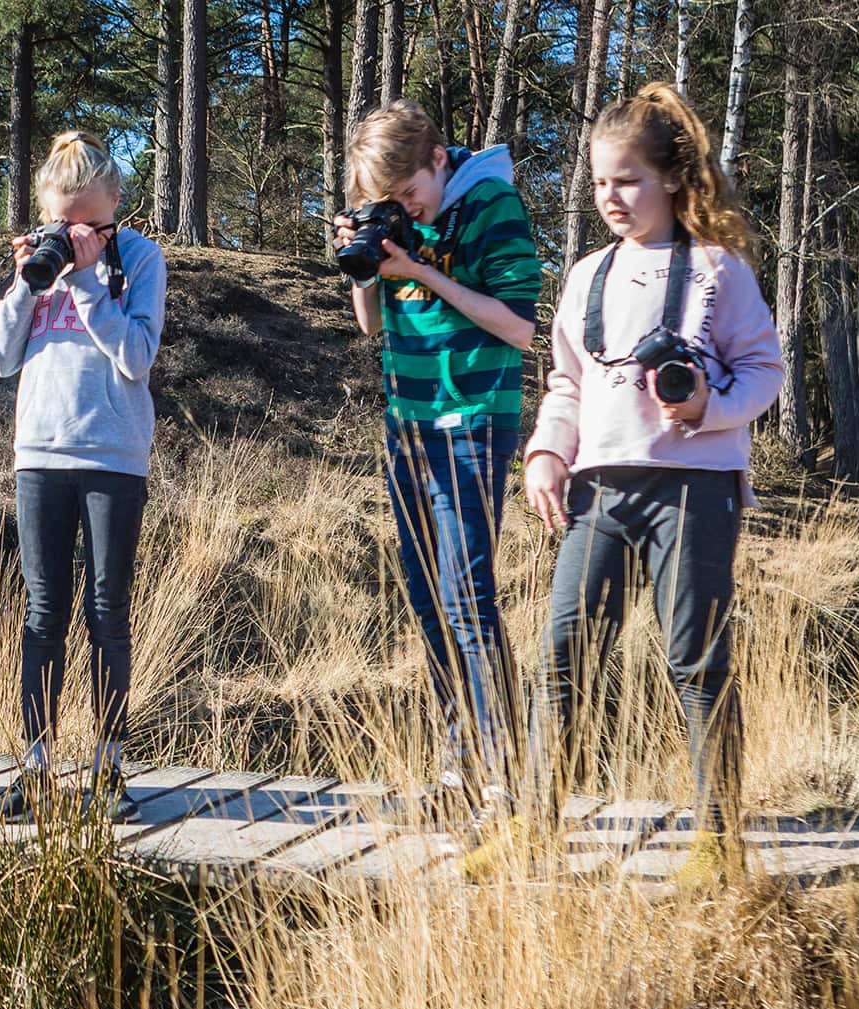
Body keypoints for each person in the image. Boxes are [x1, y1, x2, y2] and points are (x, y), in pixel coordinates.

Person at [498, 82, 783, 888]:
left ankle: (719, 839)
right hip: (599, 490)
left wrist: (709, 404)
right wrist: (546, 455)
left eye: (627, 180)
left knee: (695, 657)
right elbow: (566, 383)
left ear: (671, 178)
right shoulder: (587, 275)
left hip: (696, 487)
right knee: (562, 654)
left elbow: (766, 370)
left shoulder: (718, 271)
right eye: (598, 183)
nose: (610, 197)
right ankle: (534, 823)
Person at [333, 100, 542, 823]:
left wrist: (424, 267)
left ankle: (503, 778)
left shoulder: (492, 204)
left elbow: (519, 325)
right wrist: (366, 266)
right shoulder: (395, 221)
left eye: (409, 194)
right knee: (427, 600)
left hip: (474, 420)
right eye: (386, 202)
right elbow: (371, 327)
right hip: (408, 424)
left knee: (468, 596)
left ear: (438, 161)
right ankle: (458, 770)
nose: (404, 209)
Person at [0, 130, 168, 821]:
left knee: (107, 612)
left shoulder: (142, 259)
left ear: (117, 203)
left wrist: (89, 282)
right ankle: (33, 769)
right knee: (41, 614)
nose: (77, 233)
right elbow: (2, 359)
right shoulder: (41, 260)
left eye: (91, 220)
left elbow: (136, 358)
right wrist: (25, 284)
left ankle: (110, 770)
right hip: (39, 454)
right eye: (65, 222)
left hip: (113, 456)